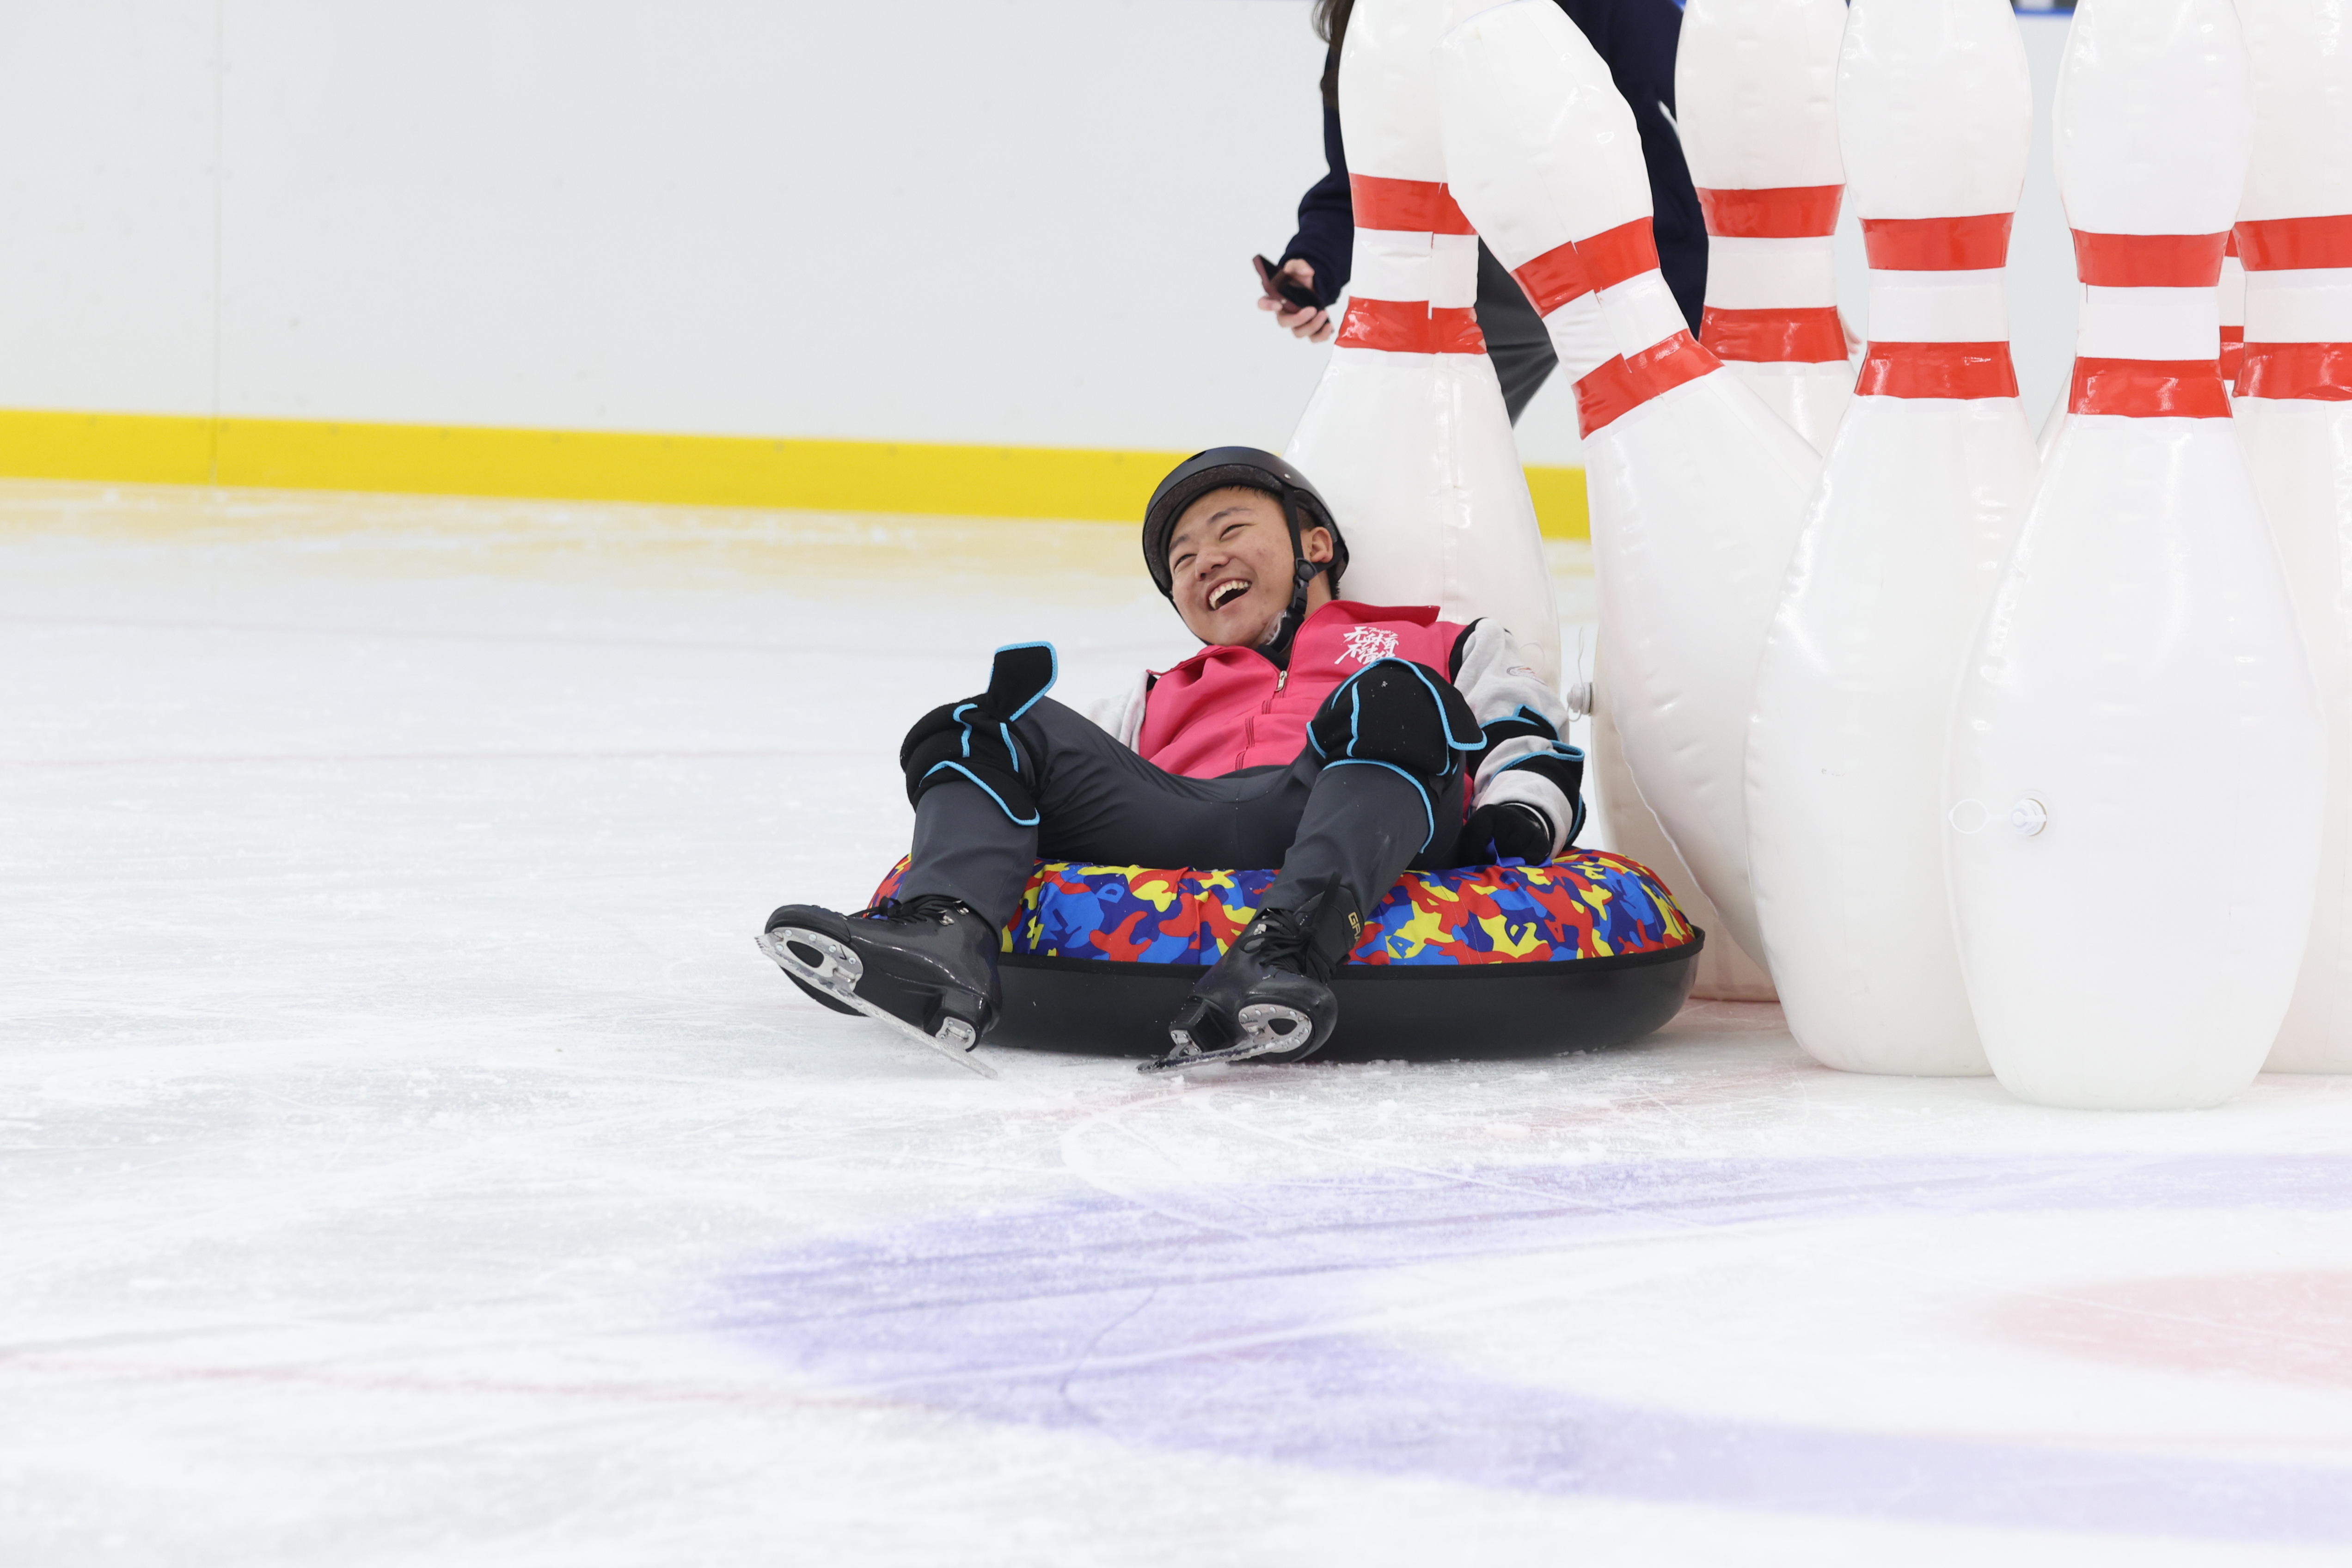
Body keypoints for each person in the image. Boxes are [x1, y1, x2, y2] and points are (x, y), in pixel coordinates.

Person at [762, 448, 1585, 1071]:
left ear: (1315, 544)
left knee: (1397, 695)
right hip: (1177, 815)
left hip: (1351, 806)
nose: (1204, 563)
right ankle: (940, 941)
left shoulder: (1433, 640)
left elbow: (1526, 727)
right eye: (1182, 562)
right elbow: (1035, 780)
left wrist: (1515, 819)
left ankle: (1281, 956)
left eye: (1230, 532)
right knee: (990, 723)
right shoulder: (1156, 693)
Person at [1260, 0, 1706, 424]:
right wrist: (1313, 265)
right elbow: (1356, 184)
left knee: (1677, 446)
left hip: (1625, 271)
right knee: (1422, 454)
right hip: (1475, 288)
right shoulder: (1374, 23)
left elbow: (1705, 87)